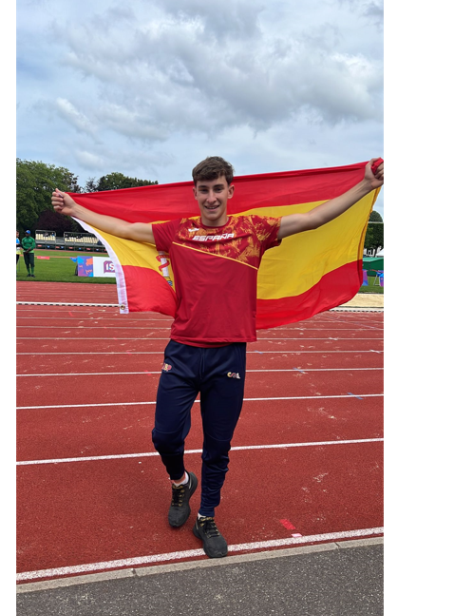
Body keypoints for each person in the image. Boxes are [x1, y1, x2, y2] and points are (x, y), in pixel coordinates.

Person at [51, 156, 384, 558]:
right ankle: (180, 482)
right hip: (183, 351)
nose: (211, 197)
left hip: (228, 357)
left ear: (230, 191)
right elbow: (123, 228)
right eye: (204, 190)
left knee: (217, 446)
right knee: (164, 435)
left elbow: (312, 219)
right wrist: (75, 209)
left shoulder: (253, 229)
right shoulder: (177, 232)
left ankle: (206, 515)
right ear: (195, 193)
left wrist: (365, 186)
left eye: (218, 189)